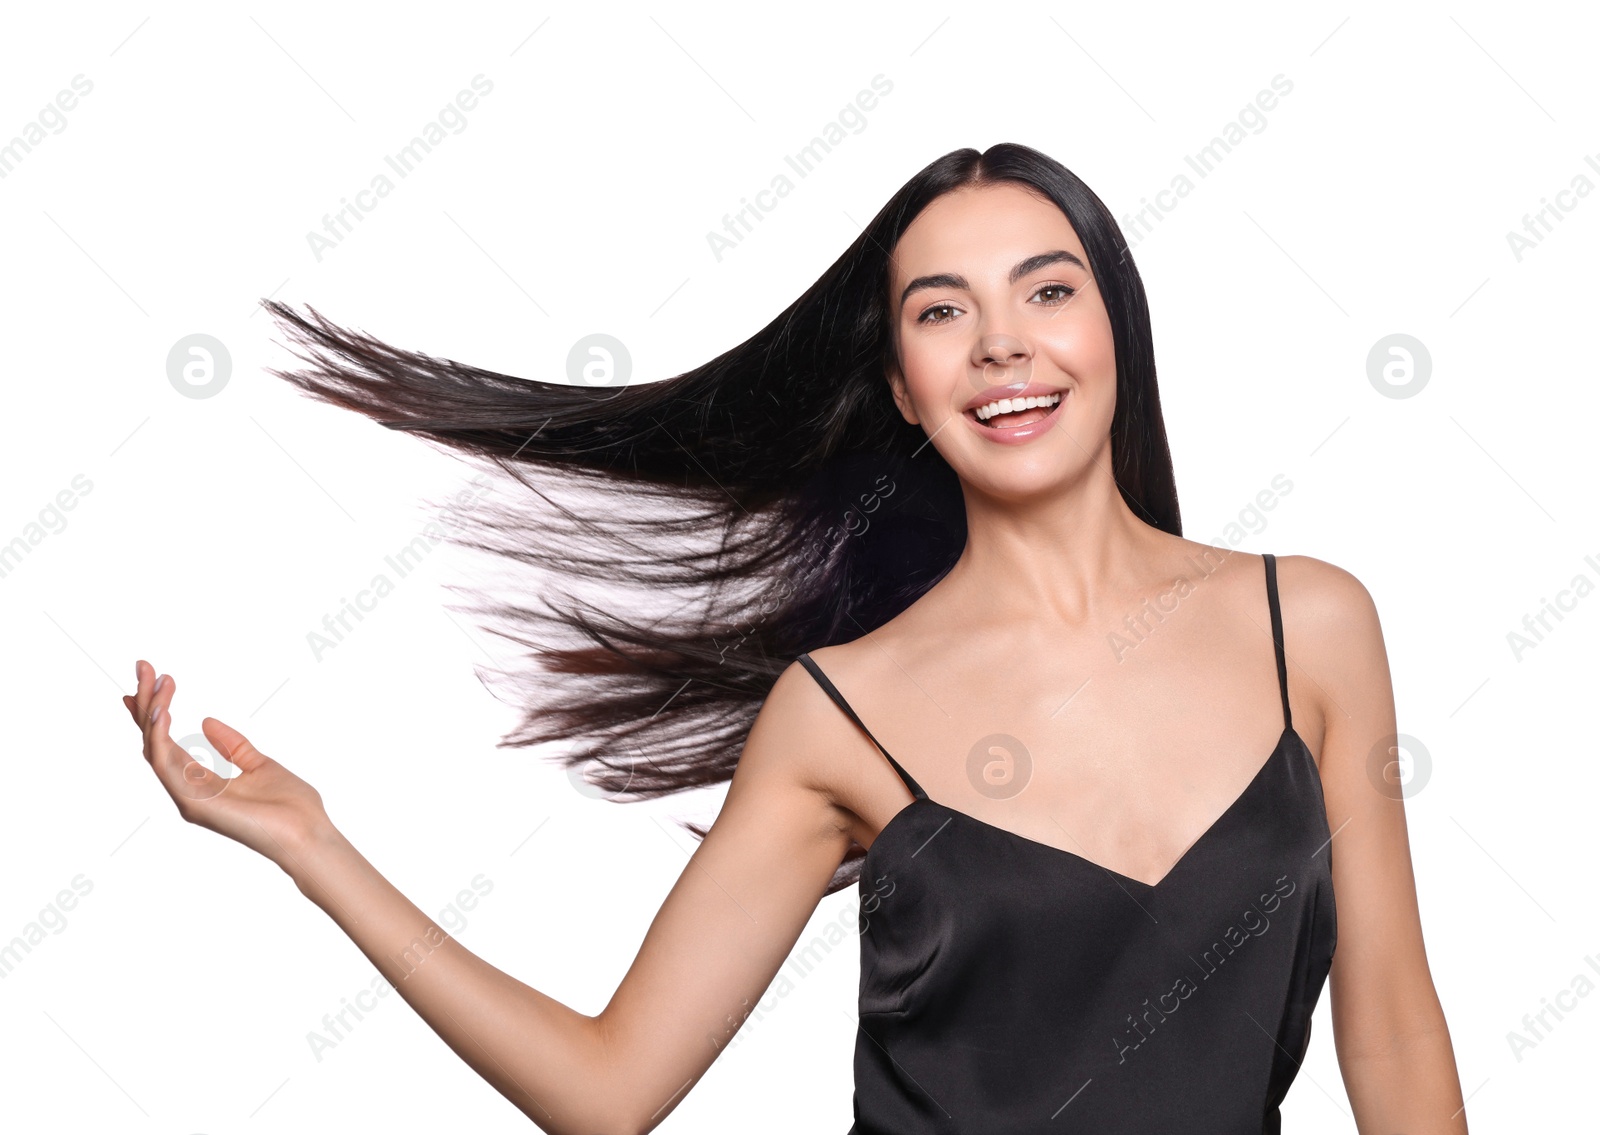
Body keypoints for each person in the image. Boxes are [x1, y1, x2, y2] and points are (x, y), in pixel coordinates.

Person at [124, 143, 1466, 1133]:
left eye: (1047, 292)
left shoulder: (1313, 626)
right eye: (943, 312)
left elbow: (1395, 1033)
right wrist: (317, 850)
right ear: (901, 383)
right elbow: (609, 1091)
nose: (1004, 345)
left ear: (1116, 323)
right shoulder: (840, 711)